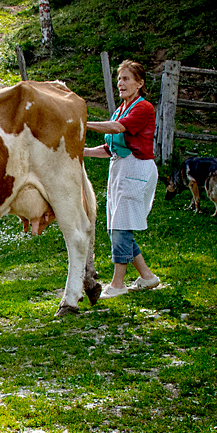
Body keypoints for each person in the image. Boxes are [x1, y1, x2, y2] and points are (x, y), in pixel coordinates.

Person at [84, 60, 161, 299]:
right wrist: (81, 150)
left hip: (136, 170)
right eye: (119, 79)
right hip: (119, 170)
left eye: (126, 79)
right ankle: (147, 277)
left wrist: (81, 124)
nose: (121, 83)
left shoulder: (143, 108)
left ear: (140, 83)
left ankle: (118, 284)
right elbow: (110, 147)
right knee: (118, 228)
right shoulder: (121, 108)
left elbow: (118, 128)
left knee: (120, 229)